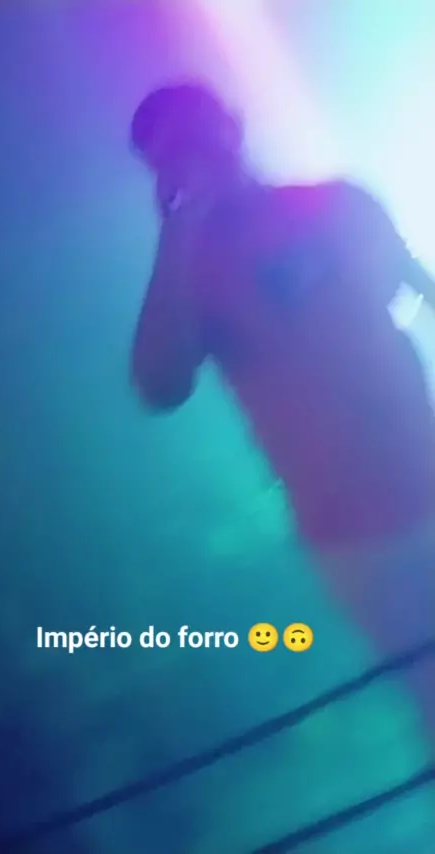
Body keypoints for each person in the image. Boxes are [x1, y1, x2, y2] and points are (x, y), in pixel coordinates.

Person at [129, 81, 435, 754]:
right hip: (354, 537)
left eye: (199, 131)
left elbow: (417, 284)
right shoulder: (191, 275)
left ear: (233, 124)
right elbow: (158, 385)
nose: (193, 152)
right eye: (171, 150)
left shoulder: (335, 202)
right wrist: (178, 230)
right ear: (156, 172)